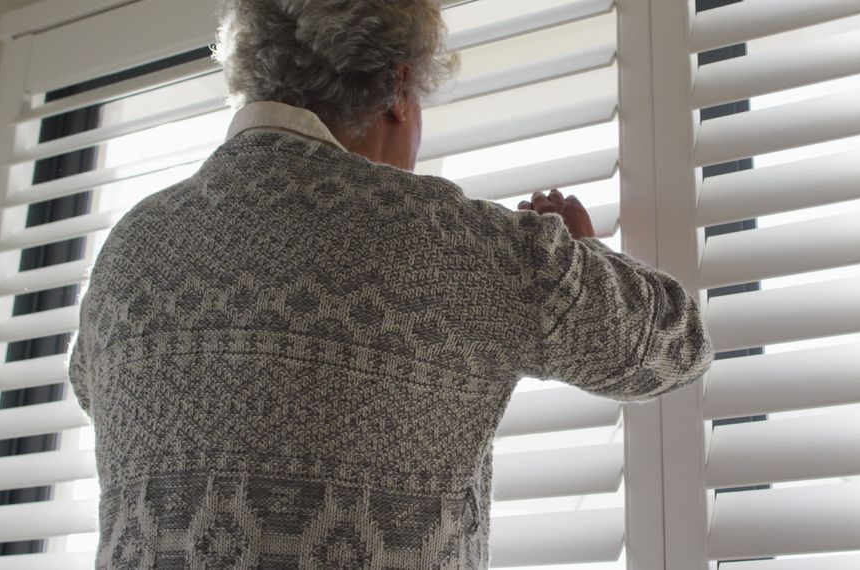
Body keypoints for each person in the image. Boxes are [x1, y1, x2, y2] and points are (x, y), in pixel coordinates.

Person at [67, 0, 714, 568]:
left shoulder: (129, 250)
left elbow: (95, 392)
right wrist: (583, 255)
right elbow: (674, 345)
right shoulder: (455, 242)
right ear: (399, 90)